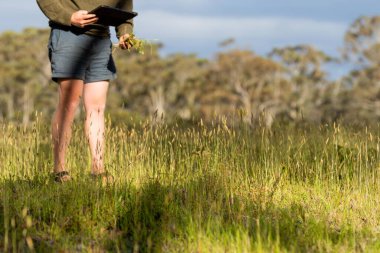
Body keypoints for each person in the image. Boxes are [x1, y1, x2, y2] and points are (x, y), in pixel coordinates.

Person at [36, 0, 134, 183]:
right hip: (69, 35)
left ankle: (98, 171)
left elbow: (124, 9)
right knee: (69, 104)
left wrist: (125, 34)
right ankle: (60, 171)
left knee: (97, 108)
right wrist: (69, 17)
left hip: (101, 40)